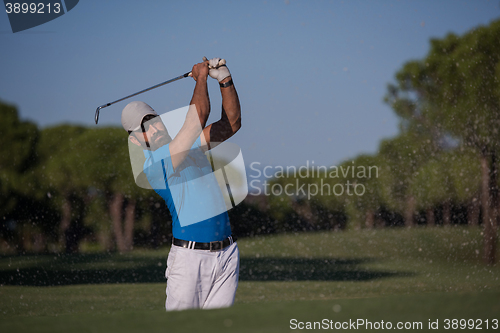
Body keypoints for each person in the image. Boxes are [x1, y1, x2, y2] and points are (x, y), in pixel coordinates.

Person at [121, 58, 242, 311]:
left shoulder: (188, 146)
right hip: (189, 260)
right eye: (143, 127)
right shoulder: (155, 164)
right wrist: (200, 77)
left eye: (152, 119)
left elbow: (231, 125)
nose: (152, 128)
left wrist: (224, 80)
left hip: (227, 254)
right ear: (135, 140)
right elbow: (198, 117)